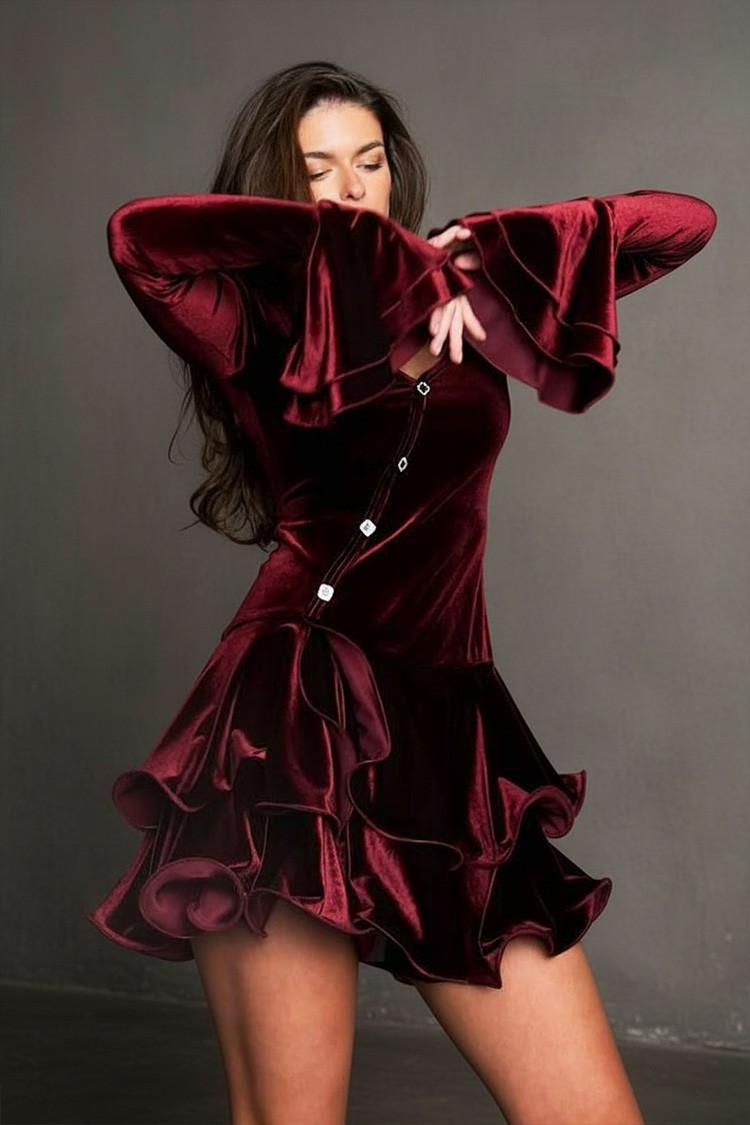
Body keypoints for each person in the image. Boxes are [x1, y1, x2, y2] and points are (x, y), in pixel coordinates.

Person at [87, 59, 717, 1125]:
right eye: (317, 171)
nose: (351, 188)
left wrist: (479, 252)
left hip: (453, 744)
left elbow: (682, 224)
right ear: (279, 189)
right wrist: (350, 257)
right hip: (291, 736)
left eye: (369, 164)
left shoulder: (476, 300)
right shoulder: (248, 320)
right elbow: (137, 239)